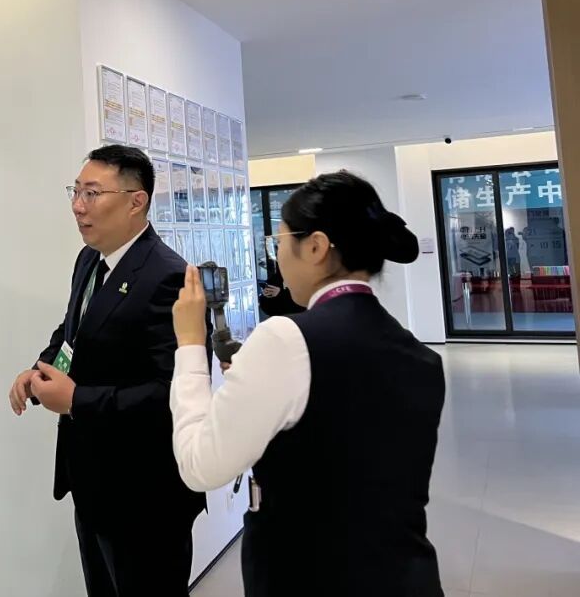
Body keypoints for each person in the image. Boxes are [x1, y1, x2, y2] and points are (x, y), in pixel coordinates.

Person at [170, 171, 445, 597]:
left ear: (315, 247)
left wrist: (190, 344)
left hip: (308, 574)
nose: (277, 257)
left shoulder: (284, 339)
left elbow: (200, 466)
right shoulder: (421, 357)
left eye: (278, 242)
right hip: (405, 575)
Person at [8, 145, 207, 597]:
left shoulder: (168, 277)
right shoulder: (89, 260)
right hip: (92, 482)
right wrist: (39, 371)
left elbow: (172, 392)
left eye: (93, 193)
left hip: (146, 493)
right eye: (76, 192)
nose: (78, 206)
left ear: (137, 201)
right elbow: (72, 331)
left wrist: (76, 400)